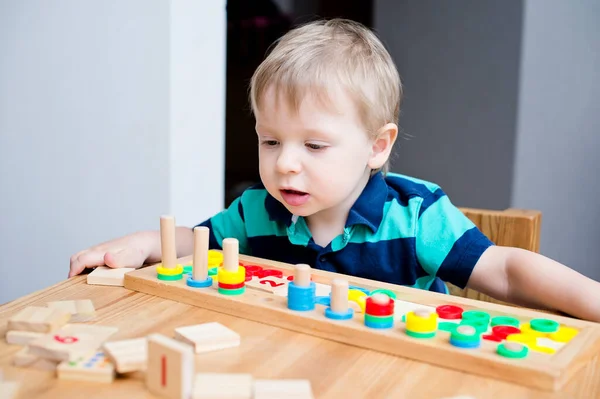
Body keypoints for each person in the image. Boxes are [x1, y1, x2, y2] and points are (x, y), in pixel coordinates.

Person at [69, 19, 600, 322]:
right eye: (270, 140)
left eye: (315, 145)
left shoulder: (416, 216)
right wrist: (142, 243)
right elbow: (193, 242)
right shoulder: (257, 212)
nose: (285, 163)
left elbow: (506, 271)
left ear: (376, 146)